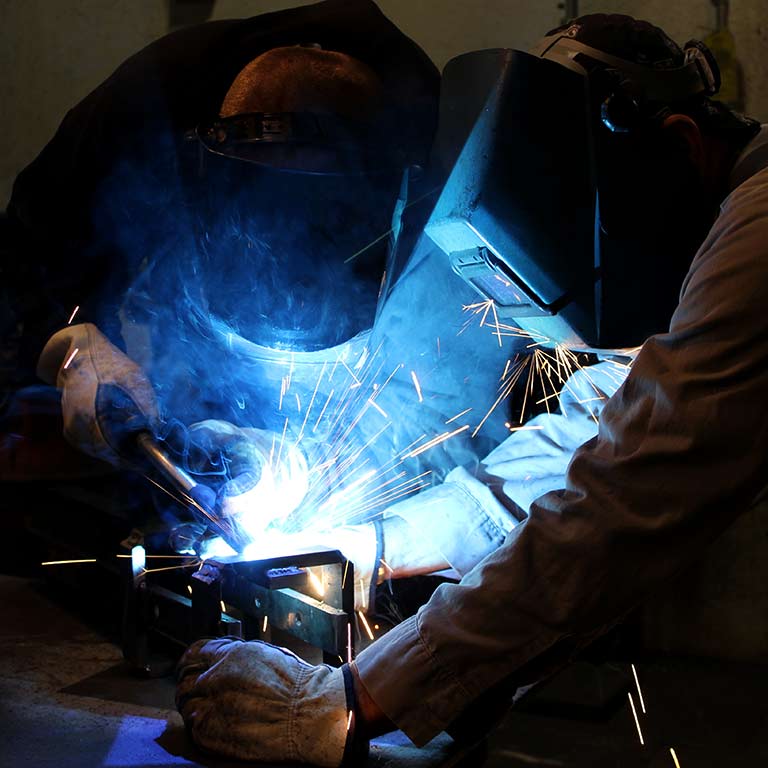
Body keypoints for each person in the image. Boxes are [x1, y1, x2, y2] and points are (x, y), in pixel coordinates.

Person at [173, 13, 768, 767]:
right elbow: (595, 443)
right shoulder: (717, 236)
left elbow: (620, 504)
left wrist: (355, 699)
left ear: (679, 146)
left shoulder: (760, 239)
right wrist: (376, 543)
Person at [2, 0, 528, 601]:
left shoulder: (443, 181)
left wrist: (291, 463)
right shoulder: (142, 116)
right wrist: (68, 344)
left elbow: (439, 414)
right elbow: (26, 259)